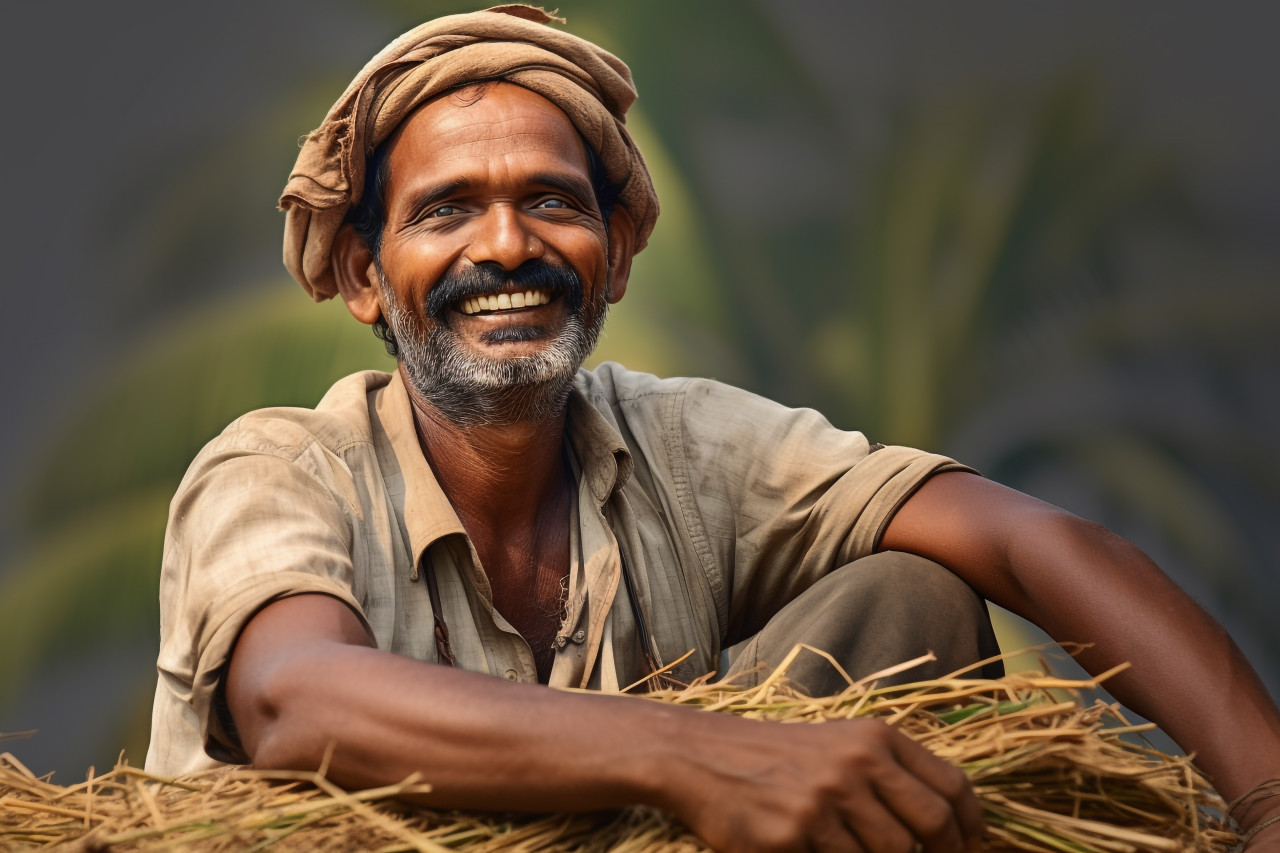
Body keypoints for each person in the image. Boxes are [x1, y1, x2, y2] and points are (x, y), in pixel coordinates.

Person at [145, 6, 1280, 851]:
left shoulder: (685, 447)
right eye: (447, 210)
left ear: (616, 253)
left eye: (550, 201)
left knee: (909, 595)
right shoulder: (279, 467)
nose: (503, 247)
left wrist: (1266, 798)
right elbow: (297, 698)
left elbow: (1020, 538)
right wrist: (704, 753)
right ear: (361, 272)